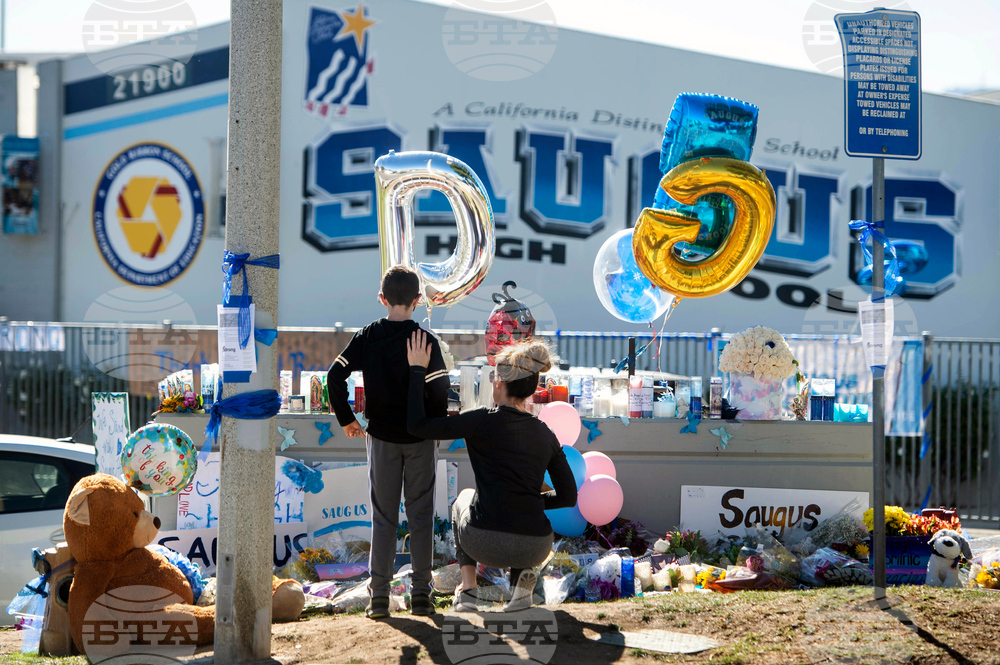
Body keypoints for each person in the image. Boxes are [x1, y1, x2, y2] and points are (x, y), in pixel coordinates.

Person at [406, 331, 577, 612]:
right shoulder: (546, 433)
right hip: (536, 545)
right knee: (523, 514)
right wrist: (529, 500)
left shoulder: (480, 420)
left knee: (464, 498)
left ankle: (468, 592)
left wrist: (416, 371)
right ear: (530, 390)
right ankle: (521, 592)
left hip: (483, 541)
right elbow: (569, 497)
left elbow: (417, 426)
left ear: (499, 384)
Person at [327, 266, 450, 619]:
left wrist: (347, 419)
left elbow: (334, 376)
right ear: (417, 300)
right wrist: (432, 428)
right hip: (420, 438)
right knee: (421, 517)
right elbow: (440, 395)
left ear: (382, 298)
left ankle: (379, 597)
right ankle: (421, 596)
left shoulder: (368, 335)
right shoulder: (426, 340)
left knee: (383, 519)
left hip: (380, 438)